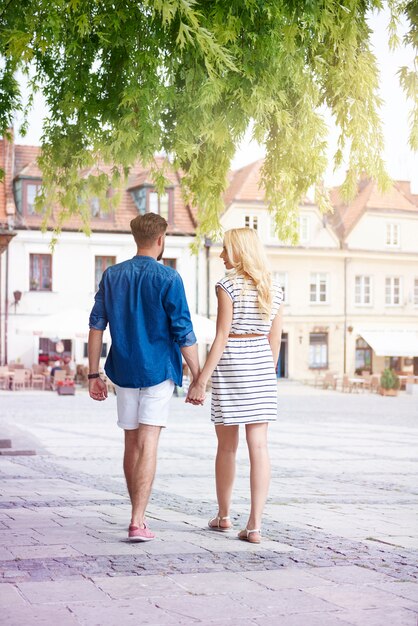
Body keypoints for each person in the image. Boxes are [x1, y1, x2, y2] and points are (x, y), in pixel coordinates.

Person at [88, 213, 200, 542]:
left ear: (136, 237)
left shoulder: (112, 275)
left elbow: (96, 325)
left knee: (131, 442)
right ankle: (138, 520)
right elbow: (184, 331)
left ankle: (137, 514)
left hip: (123, 369)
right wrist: (198, 377)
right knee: (149, 441)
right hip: (158, 371)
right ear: (161, 239)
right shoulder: (169, 279)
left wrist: (93, 373)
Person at [186, 228, 283, 544]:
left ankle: (224, 516)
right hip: (262, 367)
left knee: (227, 446)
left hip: (233, 366)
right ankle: (255, 525)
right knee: (260, 447)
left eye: (226, 248)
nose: (221, 254)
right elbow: (274, 339)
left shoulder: (226, 285)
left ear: (240, 251)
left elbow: (223, 336)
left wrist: (202, 380)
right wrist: (266, 372)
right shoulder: (274, 287)